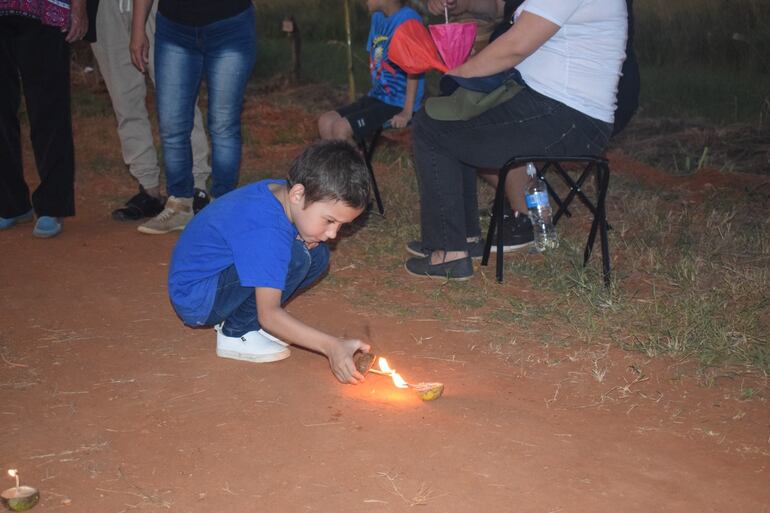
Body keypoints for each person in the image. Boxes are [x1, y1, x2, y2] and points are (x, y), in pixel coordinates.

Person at [405, 0, 629, 280]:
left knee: (431, 128)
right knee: (450, 116)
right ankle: (464, 239)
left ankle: (448, 253)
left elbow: (516, 46)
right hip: (553, 107)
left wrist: (461, 72)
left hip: (565, 115)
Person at [167, 140, 373, 384]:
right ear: (298, 194)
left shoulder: (281, 194)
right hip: (198, 297)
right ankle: (237, 333)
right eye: (329, 220)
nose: (333, 234)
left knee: (317, 255)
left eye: (341, 225)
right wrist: (332, 346)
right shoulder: (266, 230)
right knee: (296, 257)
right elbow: (270, 314)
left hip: (216, 279)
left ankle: (244, 321)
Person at [130, 0, 256, 234]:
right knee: (172, 125)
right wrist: (138, 30)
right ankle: (180, 204)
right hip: (174, 28)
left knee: (223, 124)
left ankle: (223, 206)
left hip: (230, 24)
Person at [90, 0, 212, 221]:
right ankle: (149, 190)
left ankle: (196, 185)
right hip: (105, 8)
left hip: (158, 6)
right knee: (124, 102)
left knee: (179, 98)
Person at [0, 0, 88, 238]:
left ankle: (52, 205)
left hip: (45, 13)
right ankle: (11, 203)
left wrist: (79, 6)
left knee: (48, 109)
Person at [318, 0, 424, 143]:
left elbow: (416, 66)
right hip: (378, 96)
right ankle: (339, 164)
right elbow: (377, 57)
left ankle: (353, 165)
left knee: (341, 128)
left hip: (399, 102)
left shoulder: (408, 19)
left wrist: (407, 111)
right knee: (325, 121)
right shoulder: (377, 18)